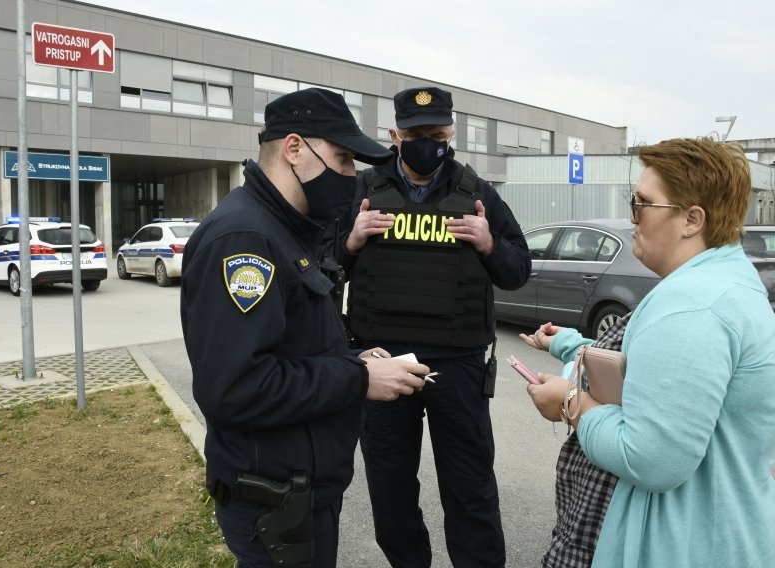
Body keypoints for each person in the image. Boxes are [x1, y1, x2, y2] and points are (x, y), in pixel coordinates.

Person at [180, 87, 429, 568]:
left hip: (299, 492)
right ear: (294, 149)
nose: (351, 176)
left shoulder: (287, 228)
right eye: (342, 159)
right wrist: (357, 380)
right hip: (274, 501)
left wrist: (352, 361)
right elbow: (237, 387)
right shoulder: (245, 240)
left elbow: (289, 348)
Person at [526, 137, 775, 568]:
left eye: (642, 204)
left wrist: (571, 403)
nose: (632, 217)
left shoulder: (694, 305)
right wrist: (572, 348)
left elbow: (652, 459)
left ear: (691, 220)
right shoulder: (726, 283)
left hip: (678, 545)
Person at [337, 86, 532, 567]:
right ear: (394, 135)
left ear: (452, 133)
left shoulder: (478, 193)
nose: (428, 143)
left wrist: (489, 244)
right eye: (416, 134)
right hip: (382, 368)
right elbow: (321, 268)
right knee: (390, 491)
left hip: (458, 365)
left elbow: (517, 272)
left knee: (470, 489)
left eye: (438, 134)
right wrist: (352, 241)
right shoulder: (361, 192)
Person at [519, 316, 629, 568]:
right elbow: (618, 362)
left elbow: (649, 454)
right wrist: (566, 343)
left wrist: (568, 400)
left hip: (605, 513)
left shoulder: (684, 307)